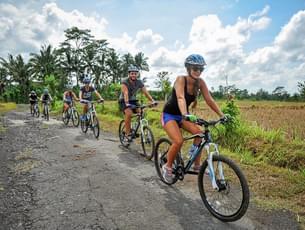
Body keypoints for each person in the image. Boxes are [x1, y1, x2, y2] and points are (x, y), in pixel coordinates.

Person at [161, 54, 228, 183]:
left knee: (200, 134)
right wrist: (186, 114)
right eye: (195, 68)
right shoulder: (181, 79)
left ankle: (196, 166)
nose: (198, 71)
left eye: (201, 69)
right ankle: (167, 167)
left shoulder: (200, 82)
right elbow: (180, 97)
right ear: (188, 68)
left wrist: (222, 115)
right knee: (178, 141)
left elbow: (209, 100)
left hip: (183, 116)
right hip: (169, 115)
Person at [119, 65, 156, 141]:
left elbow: (145, 92)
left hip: (133, 100)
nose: (134, 75)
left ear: (137, 74)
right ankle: (127, 133)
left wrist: (152, 101)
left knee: (141, 112)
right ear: (129, 74)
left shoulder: (139, 82)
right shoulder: (124, 81)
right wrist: (127, 103)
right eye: (132, 73)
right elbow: (125, 93)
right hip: (124, 100)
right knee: (129, 114)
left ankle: (135, 127)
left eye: (135, 74)